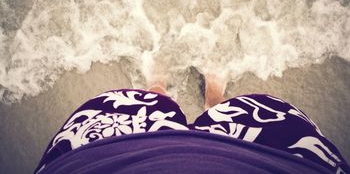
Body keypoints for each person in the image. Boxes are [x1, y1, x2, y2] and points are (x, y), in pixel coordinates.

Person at [34, 74, 349, 174]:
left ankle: (156, 88)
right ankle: (215, 104)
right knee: (242, 117)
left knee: (144, 107)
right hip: (272, 161)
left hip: (109, 157)